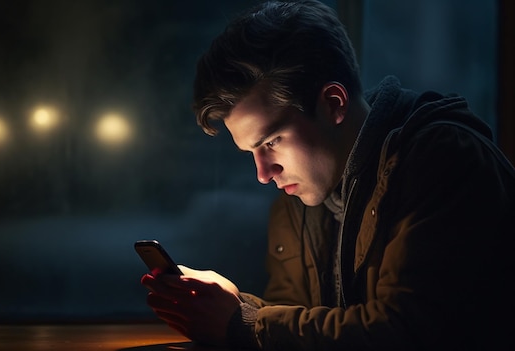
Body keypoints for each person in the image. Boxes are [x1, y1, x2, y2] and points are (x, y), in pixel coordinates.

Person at [140, 1, 515, 350]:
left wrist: (244, 322)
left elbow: (407, 333)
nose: (263, 174)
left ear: (334, 104)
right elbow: (310, 327)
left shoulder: (443, 160)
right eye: (250, 152)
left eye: (272, 141)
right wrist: (233, 307)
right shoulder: (298, 203)